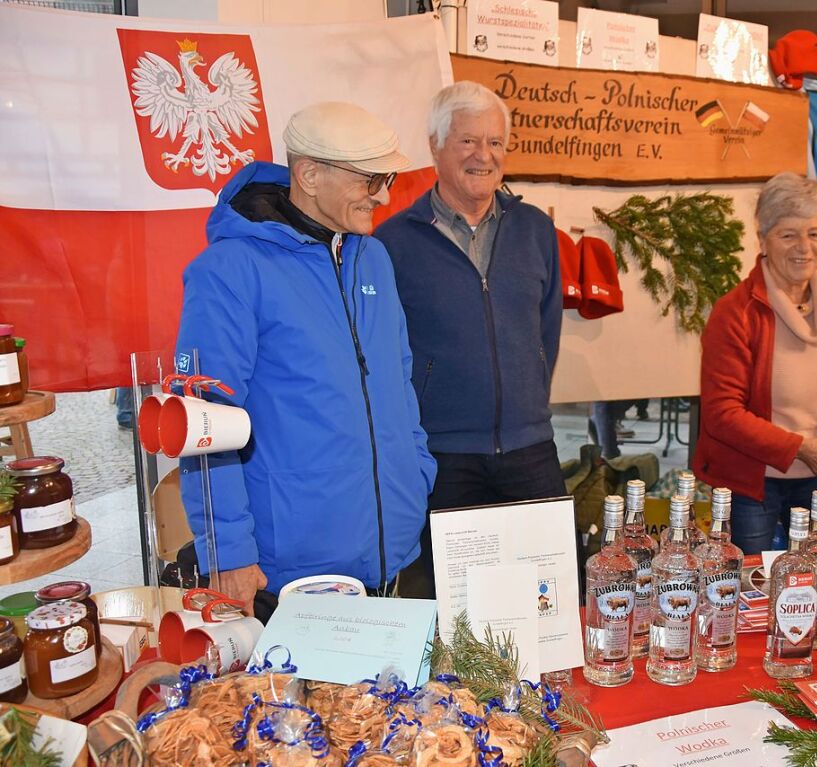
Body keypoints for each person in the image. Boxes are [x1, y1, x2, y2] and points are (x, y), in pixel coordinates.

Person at [174, 102, 437, 617]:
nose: (384, 196)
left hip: (393, 549)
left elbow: (397, 380)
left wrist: (415, 471)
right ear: (310, 174)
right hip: (293, 571)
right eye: (371, 179)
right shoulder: (228, 270)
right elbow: (202, 423)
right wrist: (228, 553)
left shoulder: (373, 257)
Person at [375, 82, 565, 597]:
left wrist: (527, 398)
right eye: (467, 142)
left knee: (546, 598)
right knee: (459, 605)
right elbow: (387, 355)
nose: (484, 156)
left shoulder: (535, 230)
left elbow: (547, 328)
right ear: (435, 147)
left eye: (496, 142)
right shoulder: (392, 243)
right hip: (444, 459)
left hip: (531, 452)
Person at [693, 172, 817, 553]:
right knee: (749, 594)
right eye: (788, 235)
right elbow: (722, 413)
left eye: (814, 233)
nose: (803, 247)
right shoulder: (734, 312)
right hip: (753, 485)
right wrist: (802, 447)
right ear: (763, 241)